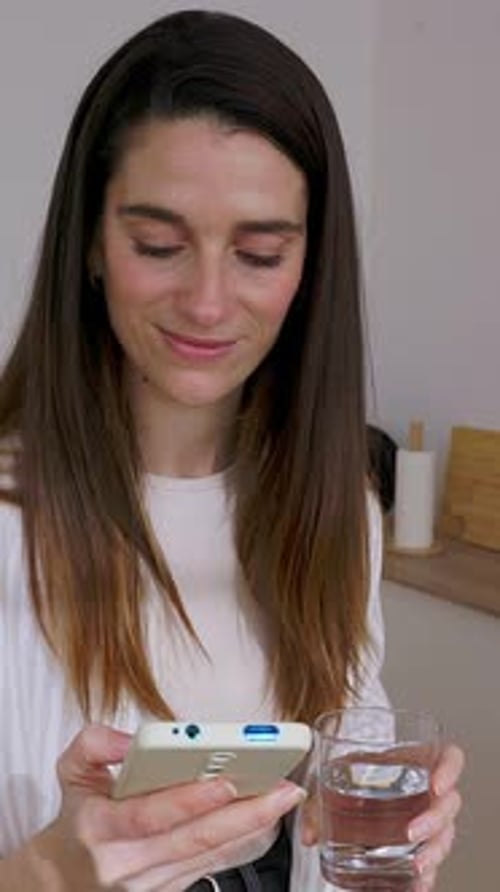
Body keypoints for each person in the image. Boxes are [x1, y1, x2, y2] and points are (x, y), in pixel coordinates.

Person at [0, 10, 463, 891]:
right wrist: (44, 875)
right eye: (159, 245)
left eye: (258, 253)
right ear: (92, 247)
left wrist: (380, 852)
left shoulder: (340, 514)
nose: (208, 303)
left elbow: (331, 838)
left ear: (309, 268)